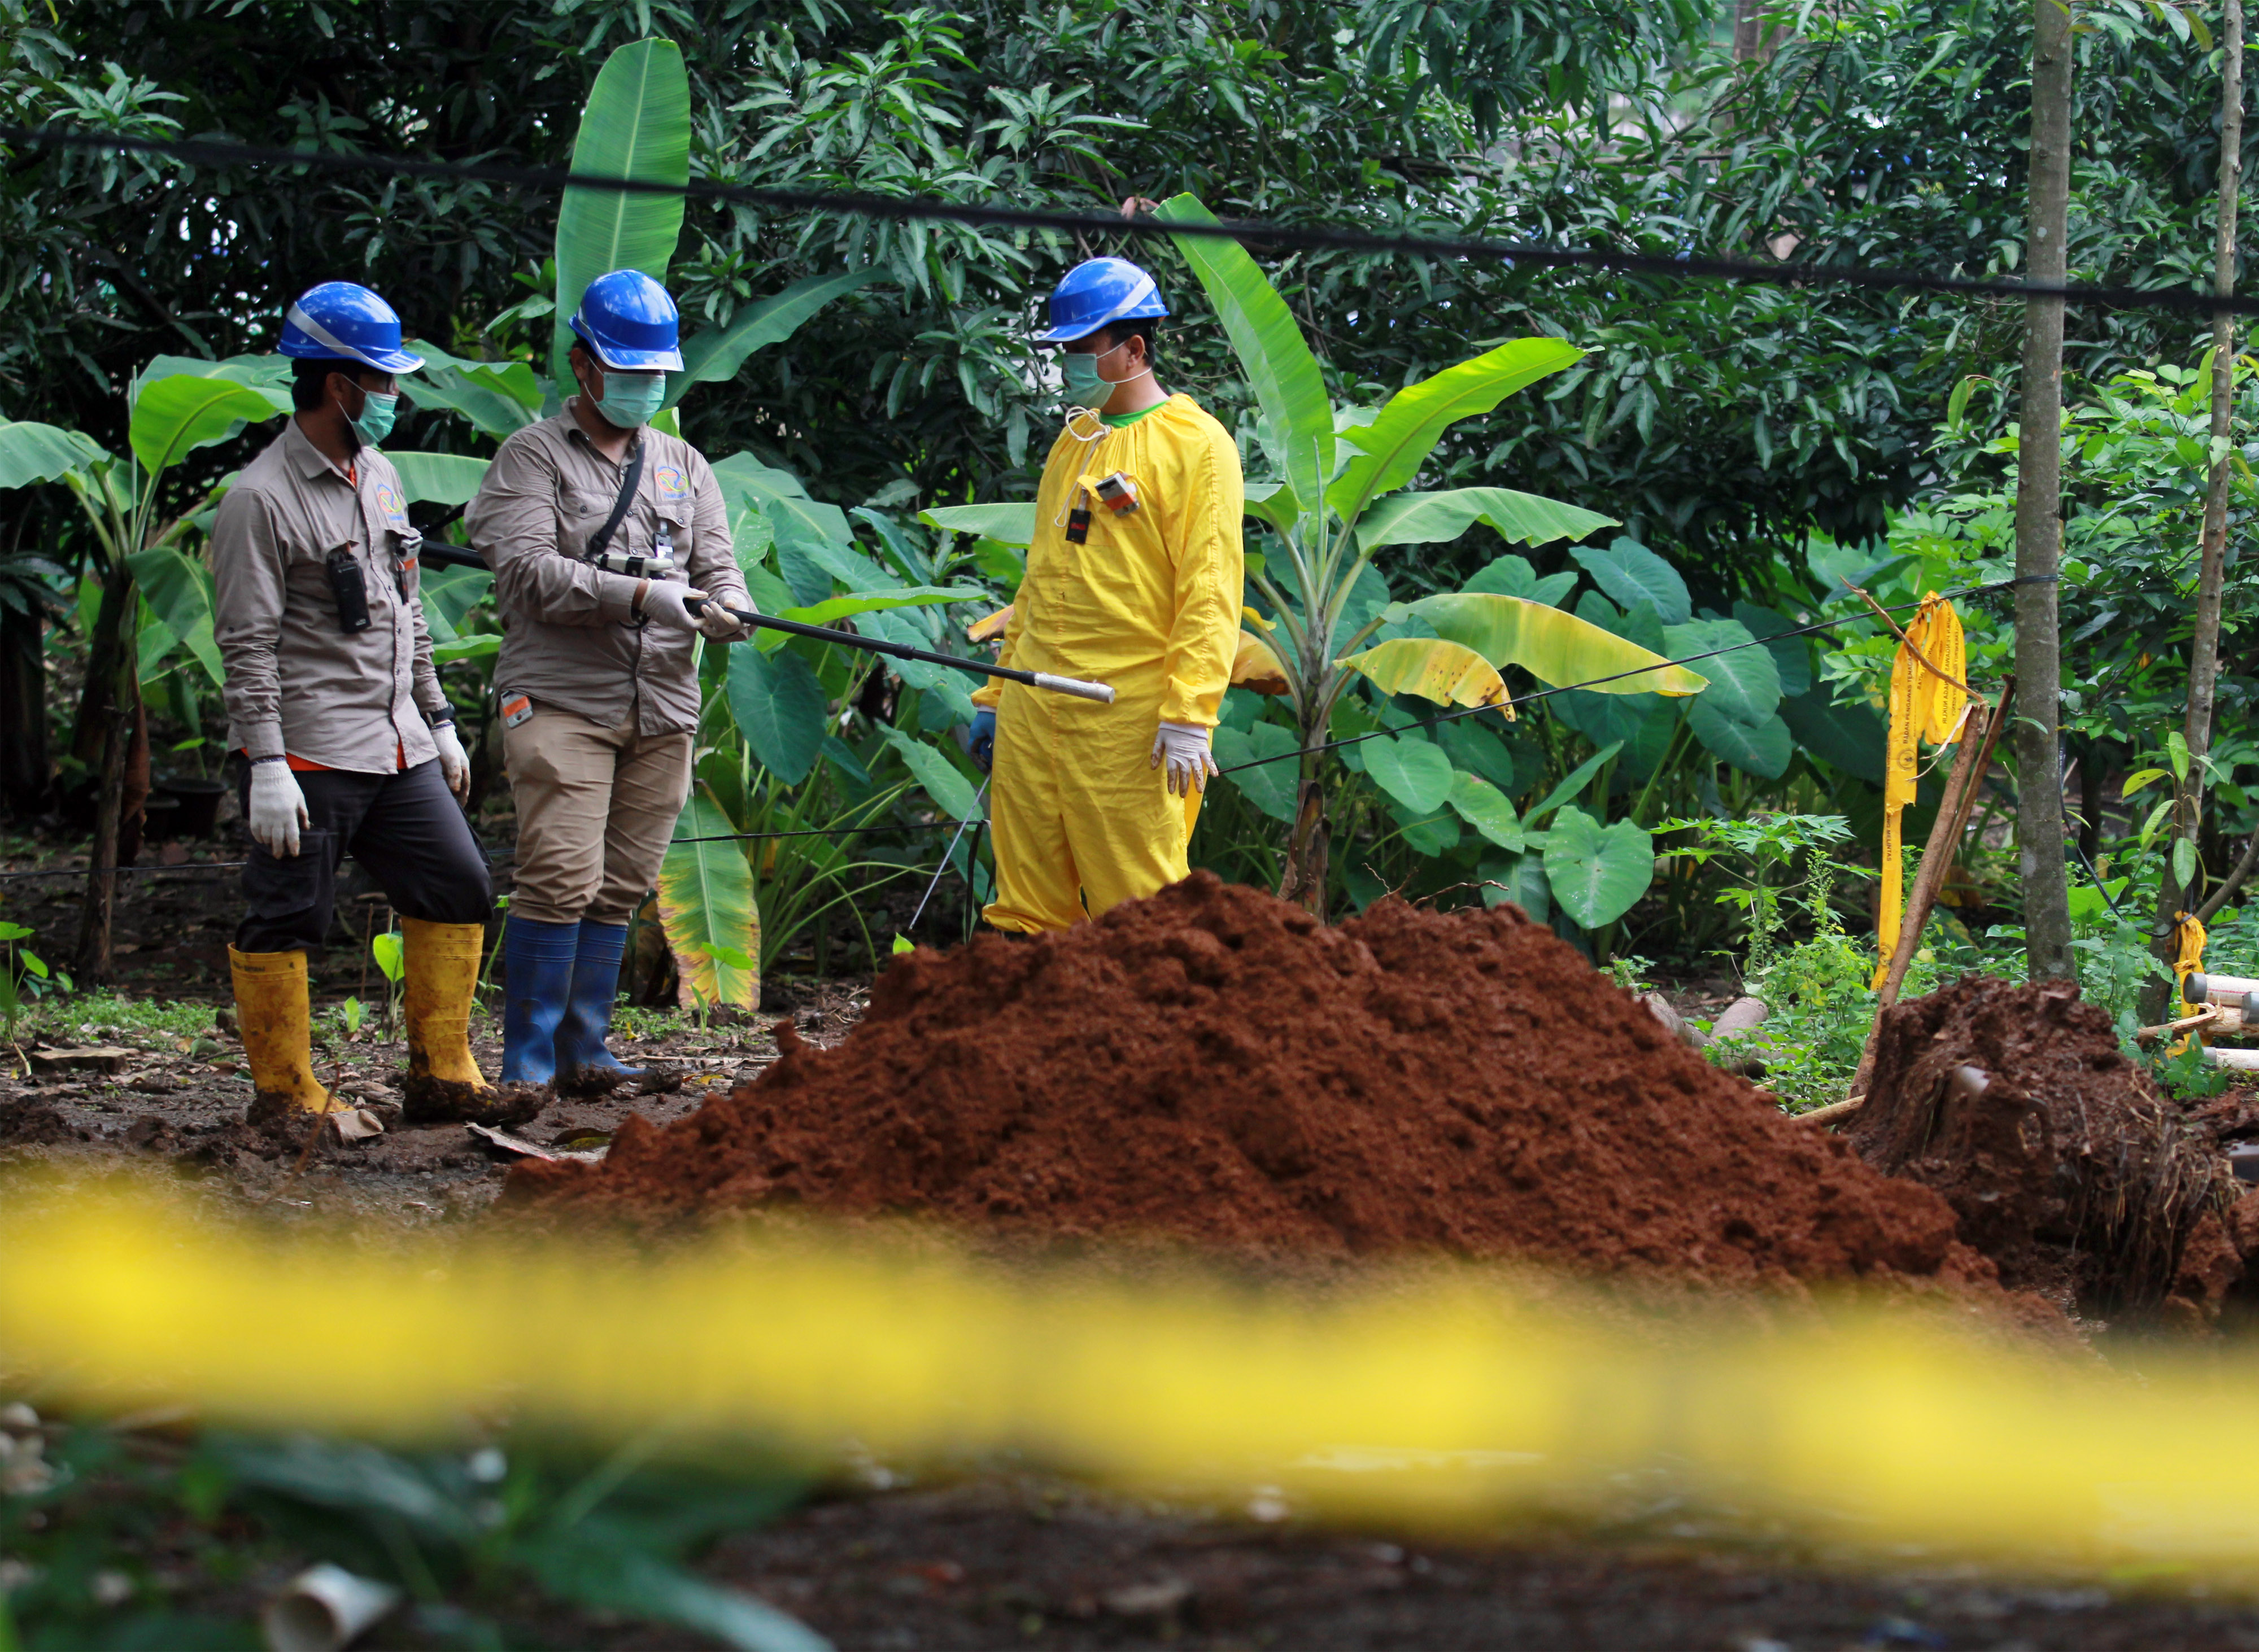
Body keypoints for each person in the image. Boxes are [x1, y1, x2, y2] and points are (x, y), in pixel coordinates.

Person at [465, 269, 753, 1088]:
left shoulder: (685, 463)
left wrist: (728, 603)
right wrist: (641, 595)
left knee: (623, 880)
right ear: (583, 365)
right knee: (560, 873)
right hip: (562, 698)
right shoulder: (532, 458)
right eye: (627, 371)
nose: (643, 387)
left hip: (661, 702)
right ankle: (526, 1065)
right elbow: (524, 574)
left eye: (655, 372)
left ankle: (584, 1053)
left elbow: (719, 566)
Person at [212, 281, 494, 1117]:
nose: (394, 397)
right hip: (309, 748)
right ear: (341, 386)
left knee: (458, 881)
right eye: (384, 381)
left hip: (397, 740)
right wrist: (266, 763)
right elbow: (247, 643)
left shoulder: (380, 476)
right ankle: (287, 1093)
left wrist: (438, 720)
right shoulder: (259, 499)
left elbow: (408, 609)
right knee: (290, 912)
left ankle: (442, 1076)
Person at [968, 256, 1245, 932]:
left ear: (1135, 348)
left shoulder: (1198, 446)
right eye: (1063, 350)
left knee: (1140, 902)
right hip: (1038, 705)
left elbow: (1209, 590)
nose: (1069, 363)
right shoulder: (1074, 443)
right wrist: (1000, 694)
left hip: (1128, 718)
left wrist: (1190, 714)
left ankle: (1159, 1031)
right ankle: (1025, 1028)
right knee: (1025, 891)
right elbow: (1039, 578)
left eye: (1081, 349)